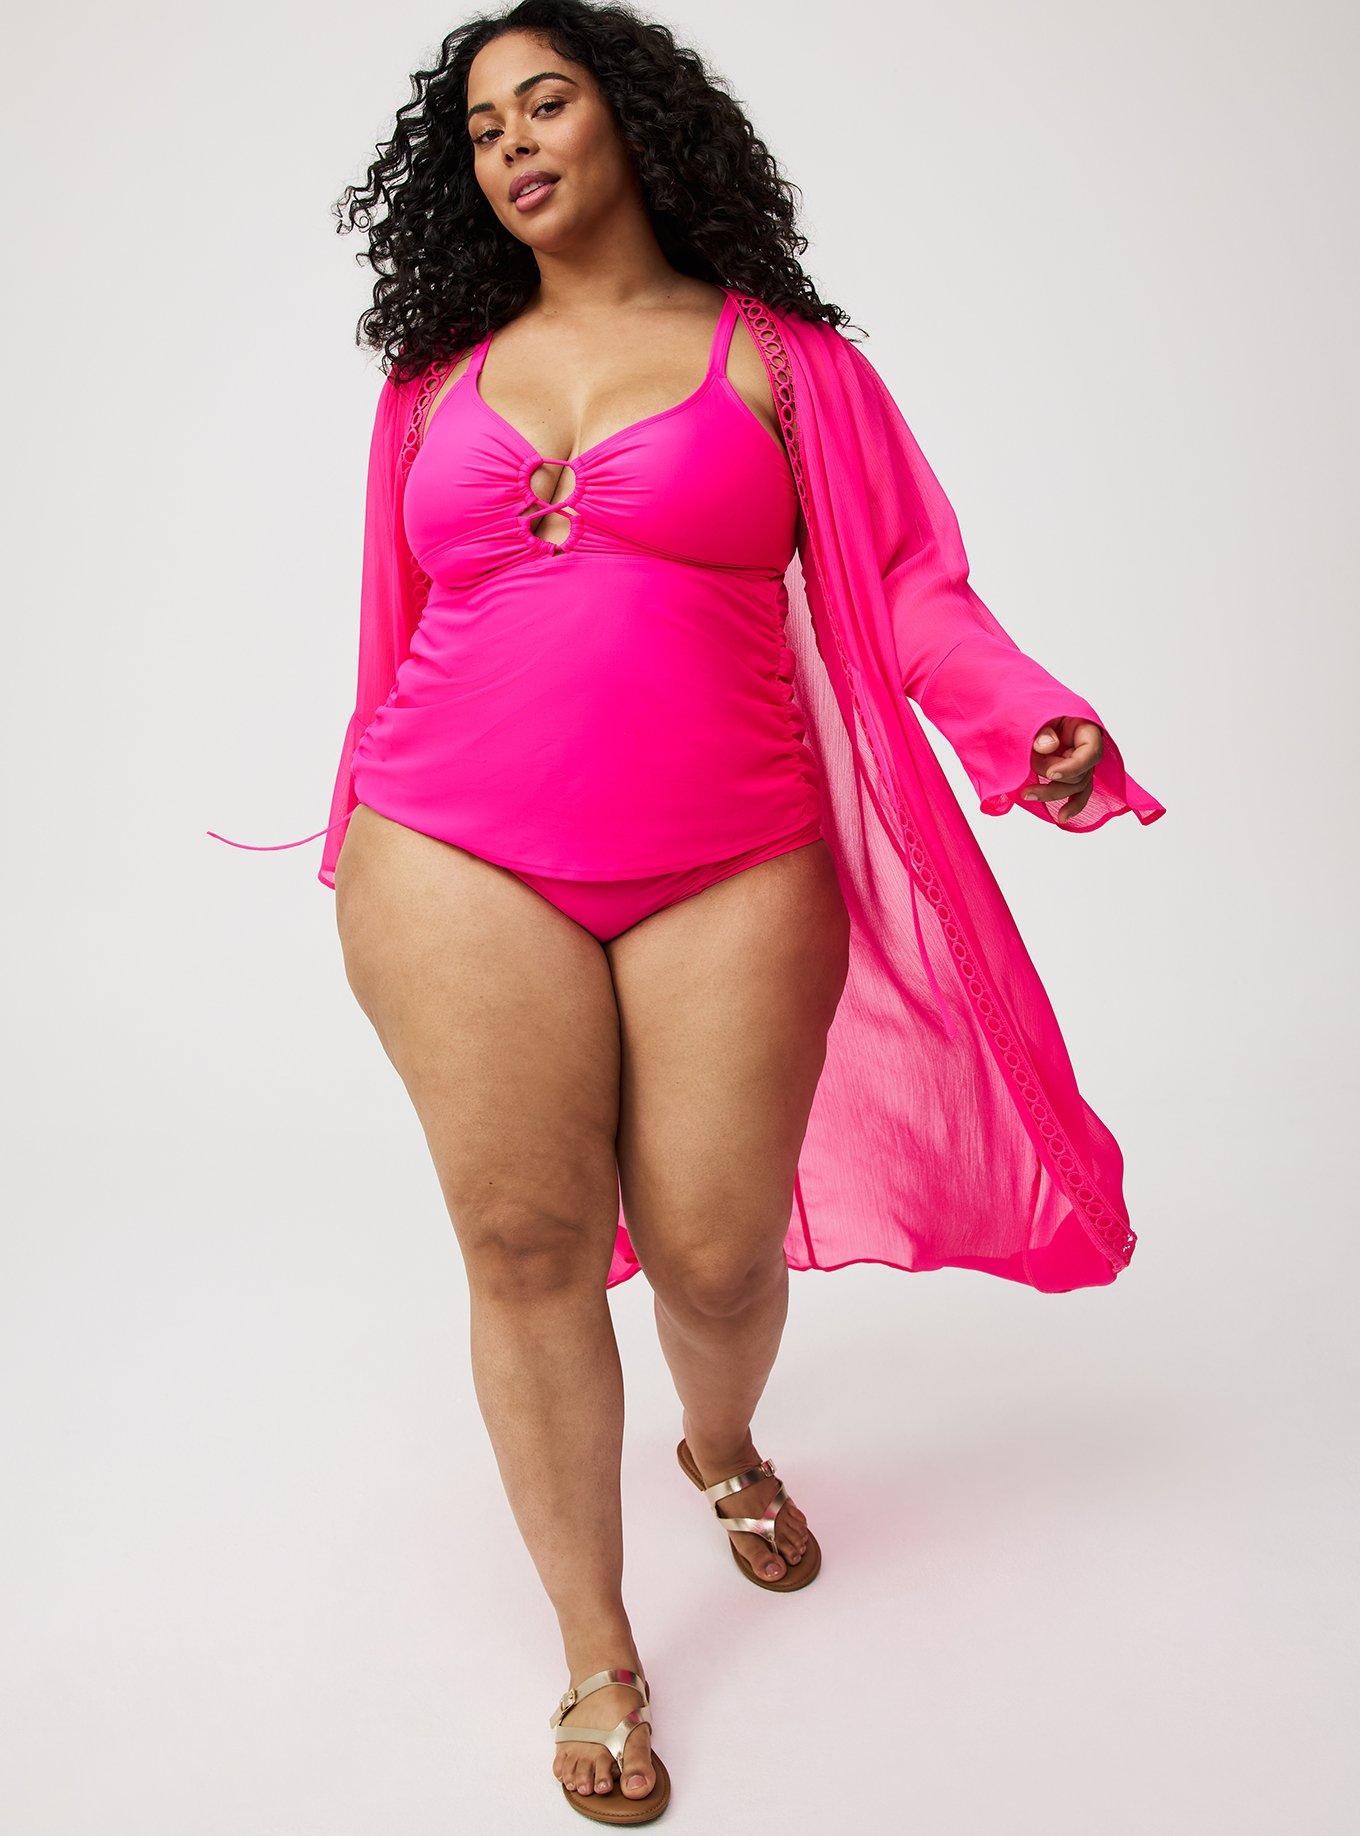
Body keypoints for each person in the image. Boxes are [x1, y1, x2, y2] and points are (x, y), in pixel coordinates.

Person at [207, 0, 1164, 1821]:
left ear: (635, 122)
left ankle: (719, 1441)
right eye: (481, 127)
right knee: (523, 1243)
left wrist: (1025, 718)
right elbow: (392, 634)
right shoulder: (431, 386)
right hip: (451, 846)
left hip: (730, 854)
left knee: (716, 1257)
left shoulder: (786, 364)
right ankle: (597, 1649)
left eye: (544, 101)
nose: (511, 143)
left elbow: (908, 586)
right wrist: (360, 832)